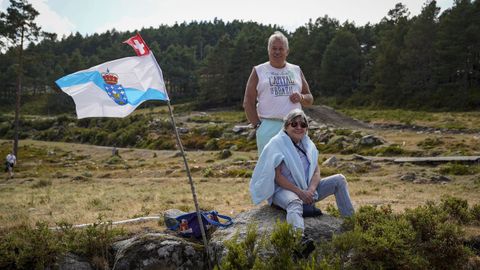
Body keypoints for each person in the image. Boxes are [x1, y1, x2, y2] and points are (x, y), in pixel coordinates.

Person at [250, 109, 354, 236]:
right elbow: (277, 177)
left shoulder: (308, 144)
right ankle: (298, 239)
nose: (299, 127)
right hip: (283, 191)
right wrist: (300, 193)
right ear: (286, 126)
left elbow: (316, 172)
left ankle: (351, 224)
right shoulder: (276, 144)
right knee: (295, 203)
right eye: (294, 124)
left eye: (303, 124)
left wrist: (310, 190)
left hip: (307, 190)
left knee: (339, 180)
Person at [243, 31, 314, 154]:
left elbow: (310, 98)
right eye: (274, 48)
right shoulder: (258, 71)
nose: (277, 52)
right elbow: (248, 101)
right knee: (270, 168)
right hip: (268, 126)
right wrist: (258, 126)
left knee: (298, 166)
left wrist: (301, 97)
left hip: (295, 126)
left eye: (281, 49)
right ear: (268, 50)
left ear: (287, 51)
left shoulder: (296, 70)